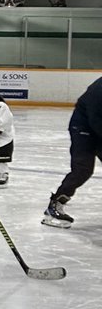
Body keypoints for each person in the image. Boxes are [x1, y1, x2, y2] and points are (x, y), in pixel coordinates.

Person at [43, 74, 102, 228]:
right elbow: (96, 118)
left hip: (97, 126)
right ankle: (55, 205)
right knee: (83, 169)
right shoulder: (99, 89)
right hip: (83, 126)